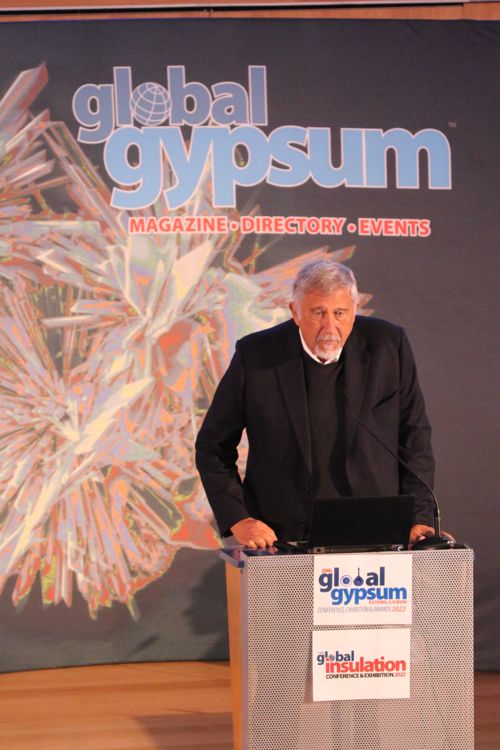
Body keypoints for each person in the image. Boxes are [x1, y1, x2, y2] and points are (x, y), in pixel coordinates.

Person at [195, 259, 436, 549]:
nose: (330, 326)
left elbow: (415, 437)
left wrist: (418, 516)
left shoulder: (388, 346)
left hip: (376, 530)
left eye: (339, 313)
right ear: (295, 312)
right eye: (318, 313)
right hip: (282, 536)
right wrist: (239, 518)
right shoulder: (256, 356)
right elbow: (212, 446)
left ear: (355, 310)